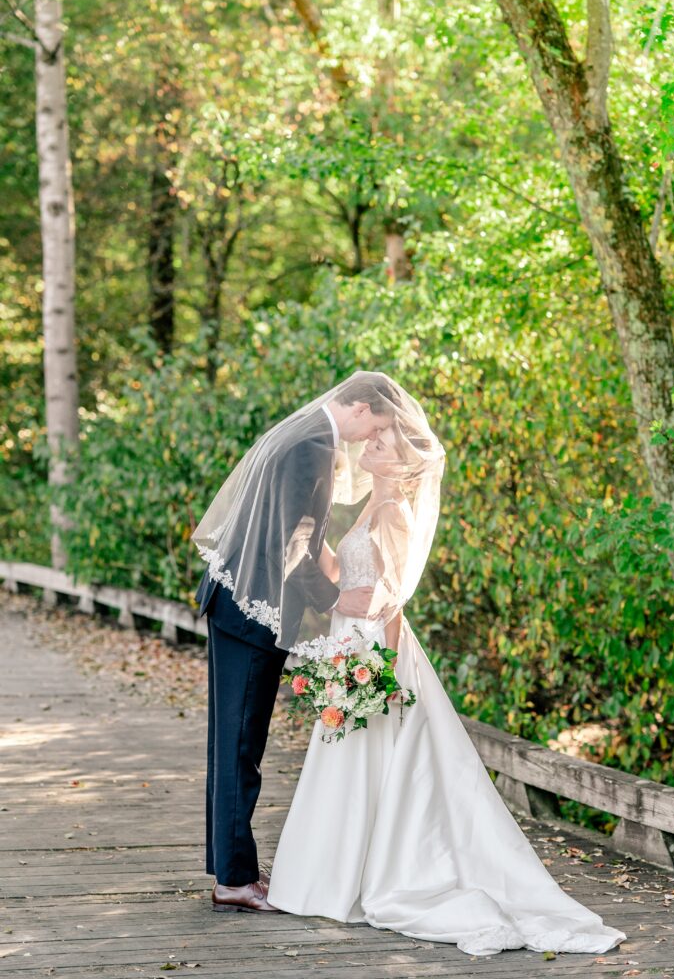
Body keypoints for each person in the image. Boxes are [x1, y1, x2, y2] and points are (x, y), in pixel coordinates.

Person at [266, 405, 627, 957]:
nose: (371, 447)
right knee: (346, 756)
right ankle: (330, 877)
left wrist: (380, 672)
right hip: (349, 638)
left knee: (371, 755)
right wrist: (307, 538)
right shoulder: (371, 504)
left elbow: (393, 604)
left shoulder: (395, 514)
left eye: (382, 443)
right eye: (375, 438)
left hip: (372, 647)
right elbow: (344, 575)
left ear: (401, 462)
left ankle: (354, 878)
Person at [191, 371, 404, 913]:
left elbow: (296, 530)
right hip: (250, 610)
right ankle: (235, 881)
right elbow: (294, 540)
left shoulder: (303, 431)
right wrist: (335, 600)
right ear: (358, 408)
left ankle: (230, 868)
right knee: (241, 744)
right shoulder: (312, 442)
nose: (365, 442)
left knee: (231, 743)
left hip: (236, 600)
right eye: (372, 427)